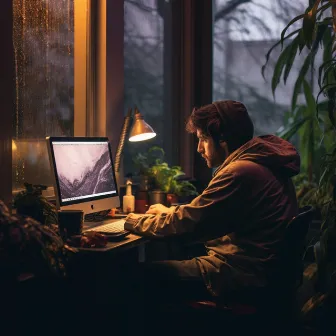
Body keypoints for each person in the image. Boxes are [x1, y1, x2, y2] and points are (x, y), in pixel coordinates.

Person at [122, 100, 300, 333]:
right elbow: (204, 214)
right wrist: (171, 212)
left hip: (239, 275)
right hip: (261, 274)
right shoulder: (260, 164)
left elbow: (191, 224)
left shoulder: (239, 172)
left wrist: (130, 221)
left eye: (203, 139)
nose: (198, 148)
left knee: (136, 277)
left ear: (222, 139)